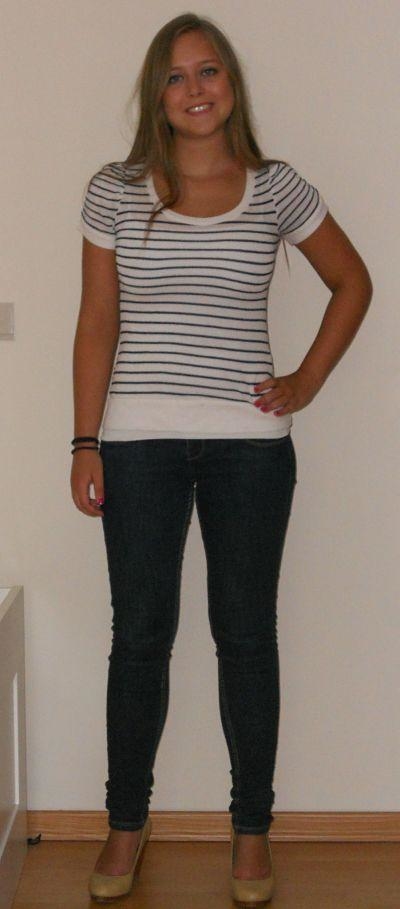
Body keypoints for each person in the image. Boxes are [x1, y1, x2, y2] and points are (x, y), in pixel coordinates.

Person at [71, 12, 372, 905]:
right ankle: (127, 822)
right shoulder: (114, 190)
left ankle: (251, 830)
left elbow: (352, 281)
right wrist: (84, 440)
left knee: (244, 637)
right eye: (176, 76)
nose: (194, 89)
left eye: (208, 71)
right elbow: (97, 321)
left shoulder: (277, 187)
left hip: (250, 451)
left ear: (231, 84)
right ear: (156, 95)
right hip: (137, 446)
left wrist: (307, 379)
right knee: (140, 637)